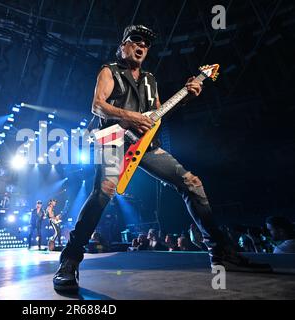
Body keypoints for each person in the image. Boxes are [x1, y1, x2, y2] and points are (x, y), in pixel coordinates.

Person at [53, 24, 271, 292]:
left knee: (192, 183)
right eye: (135, 40)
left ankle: (221, 252)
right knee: (105, 191)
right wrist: (133, 117)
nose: (141, 45)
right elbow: (97, 106)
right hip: (113, 140)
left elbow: (157, 114)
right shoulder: (109, 71)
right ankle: (69, 261)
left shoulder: (150, 79)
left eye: (146, 43)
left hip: (146, 145)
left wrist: (186, 97)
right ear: (123, 45)